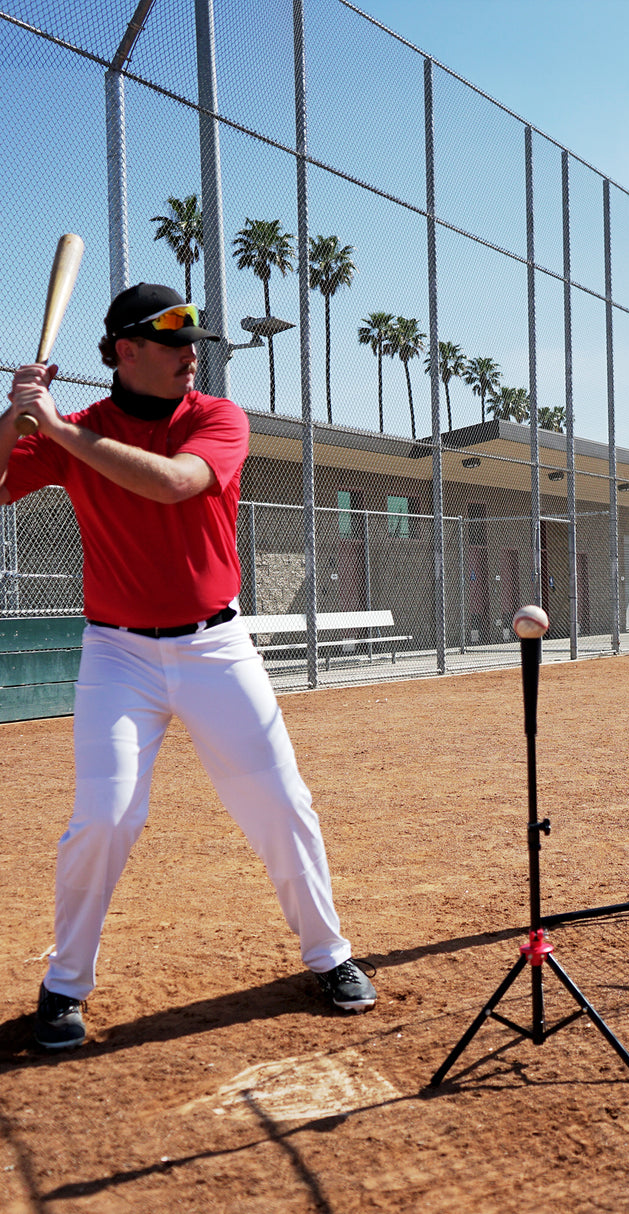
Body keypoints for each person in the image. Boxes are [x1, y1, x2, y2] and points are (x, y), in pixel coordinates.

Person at [3, 282, 376, 1050]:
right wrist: (17, 416)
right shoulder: (76, 428)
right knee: (104, 819)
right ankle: (64, 984)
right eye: (175, 346)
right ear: (125, 352)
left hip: (215, 646)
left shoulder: (214, 417)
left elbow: (173, 485)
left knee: (279, 802)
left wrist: (59, 435)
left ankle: (328, 954)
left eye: (194, 346)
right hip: (117, 653)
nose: (190, 359)